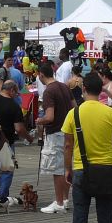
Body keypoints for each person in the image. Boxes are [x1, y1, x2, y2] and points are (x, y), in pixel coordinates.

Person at [61, 72, 112, 223]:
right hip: (106, 169)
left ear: (84, 89)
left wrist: (68, 169)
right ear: (100, 90)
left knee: (80, 216)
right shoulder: (110, 113)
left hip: (81, 169)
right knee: (105, 218)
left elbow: (68, 146)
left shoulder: (74, 113)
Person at [36, 62, 74, 214]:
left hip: (55, 133)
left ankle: (58, 202)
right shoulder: (64, 87)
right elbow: (74, 108)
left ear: (41, 75)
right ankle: (65, 199)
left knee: (57, 169)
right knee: (66, 167)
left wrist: (40, 120)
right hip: (68, 132)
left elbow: (49, 116)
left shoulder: (48, 91)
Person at [0, 79, 28, 206]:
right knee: (7, 169)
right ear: (12, 90)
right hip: (6, 142)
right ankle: (2, 197)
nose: (17, 95)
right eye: (17, 93)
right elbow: (19, 128)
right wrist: (29, 138)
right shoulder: (14, 106)